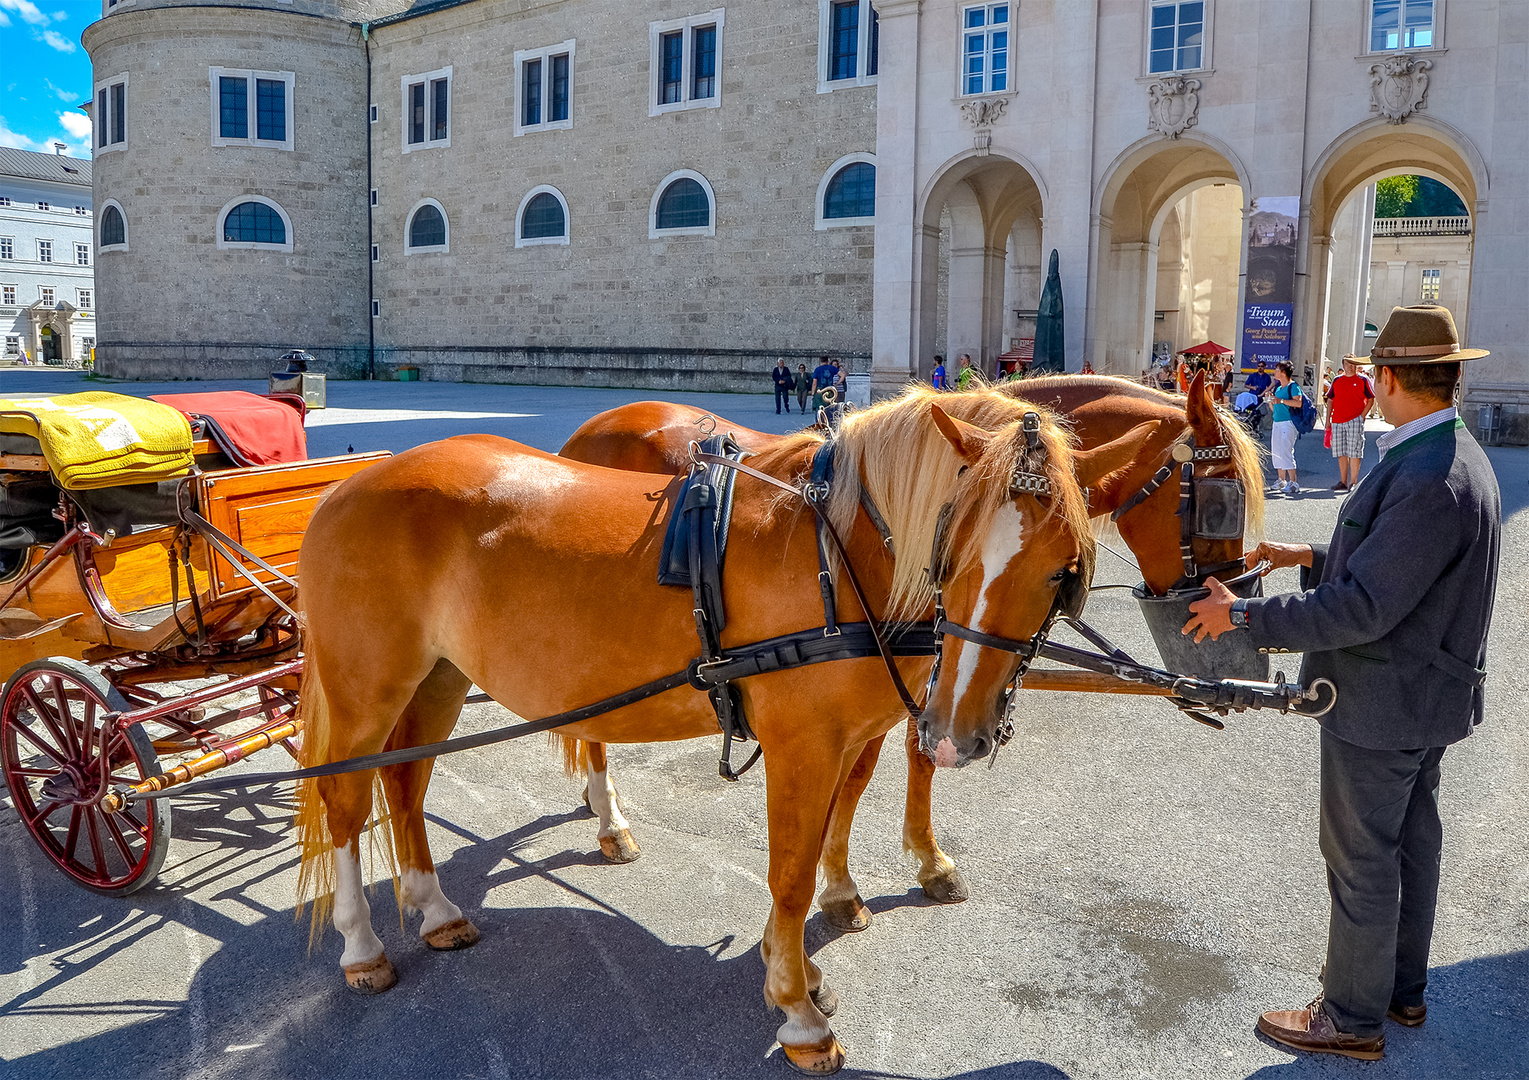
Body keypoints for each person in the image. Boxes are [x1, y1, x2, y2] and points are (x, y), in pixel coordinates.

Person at [1182, 303, 1500, 1064]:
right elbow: (1399, 571)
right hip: (1421, 693)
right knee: (1408, 847)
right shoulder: (1446, 452)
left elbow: (1367, 607)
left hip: (1383, 699)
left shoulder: (1428, 474)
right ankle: (1398, 991)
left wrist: (1245, 620)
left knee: (1360, 858)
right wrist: (1307, 554)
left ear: (1387, 378)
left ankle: (1350, 1018)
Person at [1325, 354, 1375, 492]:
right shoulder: (1337, 380)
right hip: (1337, 420)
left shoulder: (1363, 380)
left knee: (1355, 451)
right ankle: (1343, 481)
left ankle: (1353, 482)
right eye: (1347, 364)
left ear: (1356, 365)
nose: (1350, 367)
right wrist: (1328, 419)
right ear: (1343, 365)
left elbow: (1371, 399)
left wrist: (1362, 416)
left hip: (1355, 420)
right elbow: (1330, 399)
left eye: (1353, 364)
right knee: (1341, 451)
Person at [1268, 360, 1303, 495]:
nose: (1275, 372)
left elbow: (1298, 403)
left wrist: (1281, 400)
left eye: (1277, 370)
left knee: (1286, 451)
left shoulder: (1293, 386)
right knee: (1277, 451)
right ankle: (1281, 479)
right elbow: (1274, 408)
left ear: (1283, 373)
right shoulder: (1278, 388)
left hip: (1288, 422)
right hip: (1277, 422)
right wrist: (1271, 400)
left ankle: (1293, 482)